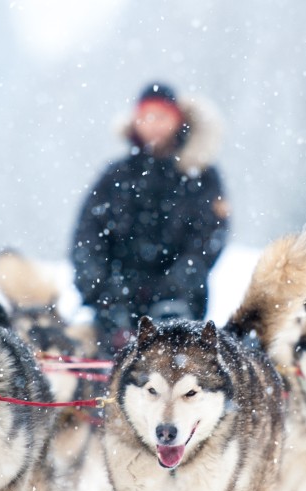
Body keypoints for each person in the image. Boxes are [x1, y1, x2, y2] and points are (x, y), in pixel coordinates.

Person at [70, 82, 230, 356]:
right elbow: (87, 237)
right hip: (116, 305)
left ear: (178, 121)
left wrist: (180, 281)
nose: (154, 124)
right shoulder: (115, 176)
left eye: (162, 116)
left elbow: (209, 237)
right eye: (147, 116)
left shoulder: (201, 175)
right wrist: (102, 290)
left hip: (180, 304)